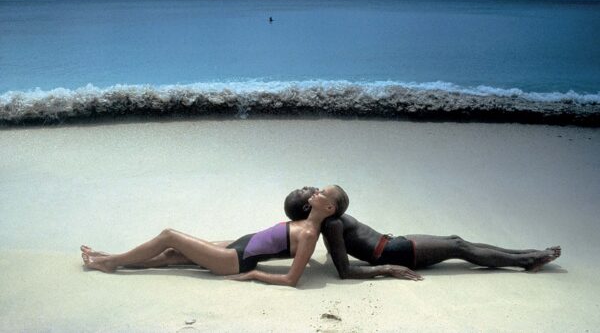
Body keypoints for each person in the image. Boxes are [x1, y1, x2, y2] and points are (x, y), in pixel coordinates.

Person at [81, 185, 349, 287]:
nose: (316, 191)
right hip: (236, 248)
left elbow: (292, 278)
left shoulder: (310, 234)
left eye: (322, 193)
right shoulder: (303, 222)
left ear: (329, 208)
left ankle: (112, 262)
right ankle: (111, 257)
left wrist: (254, 275)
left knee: (169, 236)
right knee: (172, 256)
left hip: (235, 260)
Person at [285, 187, 561, 281]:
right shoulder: (331, 224)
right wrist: (389, 269)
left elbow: (333, 252)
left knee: (457, 240)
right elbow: (344, 271)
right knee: (459, 248)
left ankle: (525, 253)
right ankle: (526, 260)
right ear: (317, 205)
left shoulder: (327, 222)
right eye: (310, 191)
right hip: (393, 252)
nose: (312, 188)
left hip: (392, 243)